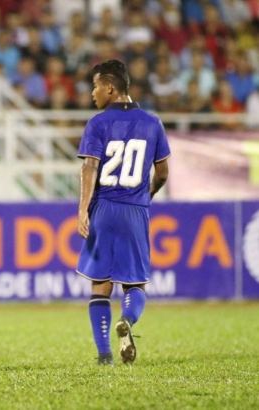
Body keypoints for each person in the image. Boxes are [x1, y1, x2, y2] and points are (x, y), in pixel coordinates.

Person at [76, 60, 170, 366]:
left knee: (100, 284)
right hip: (135, 209)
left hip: (103, 208)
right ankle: (127, 320)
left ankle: (104, 355)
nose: (92, 93)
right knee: (135, 284)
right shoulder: (152, 122)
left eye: (95, 86)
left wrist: (82, 208)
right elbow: (164, 172)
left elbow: (89, 166)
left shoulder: (98, 123)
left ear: (110, 88)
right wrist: (148, 193)